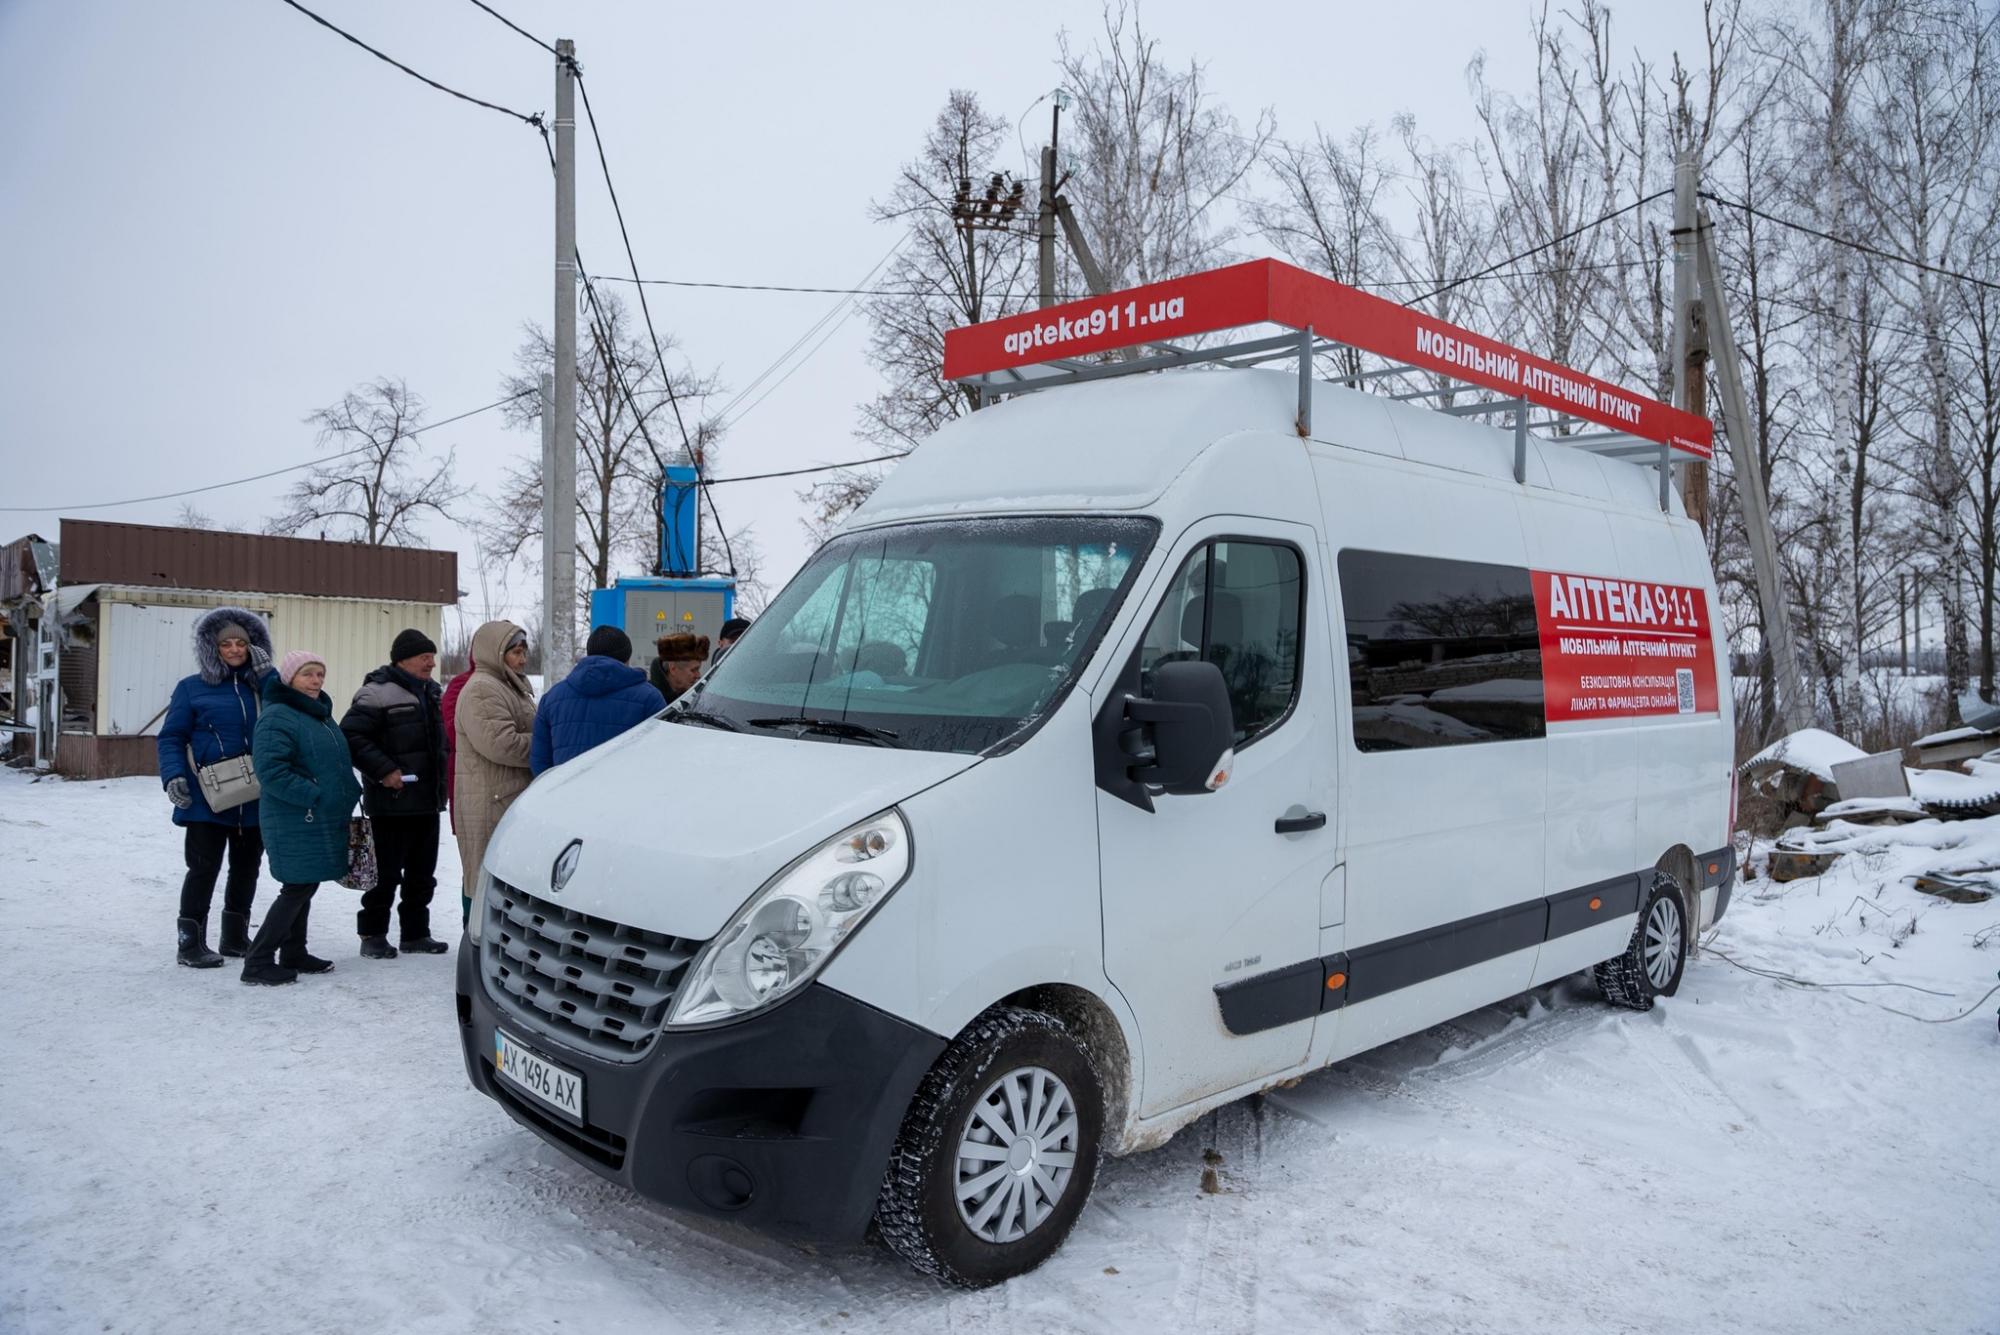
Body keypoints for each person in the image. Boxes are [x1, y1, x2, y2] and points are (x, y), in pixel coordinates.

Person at [157, 607, 276, 968]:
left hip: (254, 796)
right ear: (213, 647)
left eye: (242, 642)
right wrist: (173, 776)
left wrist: (268, 677)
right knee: (203, 868)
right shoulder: (191, 688)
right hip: (206, 797)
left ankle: (235, 937)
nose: (235, 649)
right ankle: (190, 943)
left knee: (247, 868)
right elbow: (171, 737)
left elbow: (290, 715)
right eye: (227, 644)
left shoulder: (266, 687)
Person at [242, 651, 362, 986]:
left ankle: (294, 952)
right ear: (289, 678)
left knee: (305, 882)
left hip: (316, 816)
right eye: (307, 674)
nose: (316, 681)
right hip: (294, 816)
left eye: (320, 674)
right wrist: (313, 795)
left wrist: (347, 789)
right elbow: (271, 771)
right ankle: (258, 962)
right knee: (297, 887)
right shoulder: (278, 715)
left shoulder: (317, 714)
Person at [340, 628, 449, 959]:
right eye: (424, 657)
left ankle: (415, 934)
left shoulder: (432, 692)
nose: (431, 663)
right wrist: (384, 770)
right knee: (385, 875)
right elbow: (352, 737)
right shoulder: (375, 693)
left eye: (432, 657)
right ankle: (373, 934)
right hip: (391, 803)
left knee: (422, 875)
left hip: (427, 802)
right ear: (403, 660)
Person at [455, 621, 536, 918]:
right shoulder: (482, 689)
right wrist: (545, 742)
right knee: (485, 880)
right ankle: (474, 938)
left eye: (524, 652)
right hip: (490, 799)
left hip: (504, 796)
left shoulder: (509, 686)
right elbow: (501, 744)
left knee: (501, 880)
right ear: (495, 653)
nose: (522, 659)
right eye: (516, 652)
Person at [531, 625, 666, 776]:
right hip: (627, 789)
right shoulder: (649, 698)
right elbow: (661, 756)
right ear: (627, 657)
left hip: (568, 790)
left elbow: (540, 763)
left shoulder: (552, 698)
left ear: (589, 654)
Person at [442, 652, 473, 836]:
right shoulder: (462, 684)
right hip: (472, 781)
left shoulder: (517, 686)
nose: (523, 659)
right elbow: (456, 734)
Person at [648, 632, 710, 705]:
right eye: (693, 670)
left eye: (698, 670)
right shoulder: (647, 700)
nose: (698, 675)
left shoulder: (692, 698)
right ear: (673, 669)